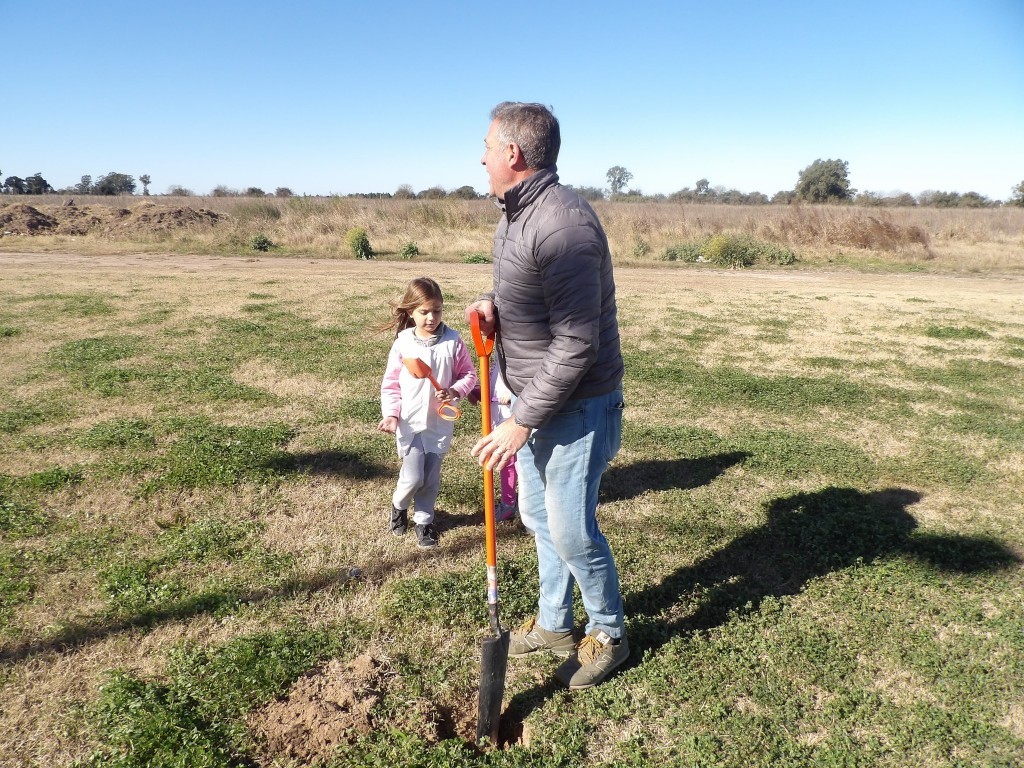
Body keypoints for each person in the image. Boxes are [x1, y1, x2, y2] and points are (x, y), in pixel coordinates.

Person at [466, 101, 628, 690]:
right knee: (537, 518)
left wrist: (520, 421)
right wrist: (494, 305)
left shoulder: (563, 224)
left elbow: (578, 341)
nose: (480, 156)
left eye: (486, 145)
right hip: (538, 401)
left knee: (571, 531)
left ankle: (609, 633)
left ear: (512, 154)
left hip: (578, 406)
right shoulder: (514, 215)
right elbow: (528, 289)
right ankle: (557, 623)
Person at [379, 277, 478, 549]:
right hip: (410, 424)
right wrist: (391, 415)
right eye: (424, 312)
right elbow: (391, 384)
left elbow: (468, 374)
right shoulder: (403, 344)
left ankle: (424, 521)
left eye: (437, 311)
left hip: (439, 425)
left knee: (431, 479)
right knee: (413, 477)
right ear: (411, 311)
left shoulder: (453, 341)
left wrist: (455, 391)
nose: (431, 318)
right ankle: (399, 505)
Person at [490, 365, 519, 522]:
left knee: (523, 464)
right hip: (499, 412)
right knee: (506, 461)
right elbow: (497, 373)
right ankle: (508, 502)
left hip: (516, 414)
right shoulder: (498, 346)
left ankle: (532, 505)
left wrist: (514, 394)